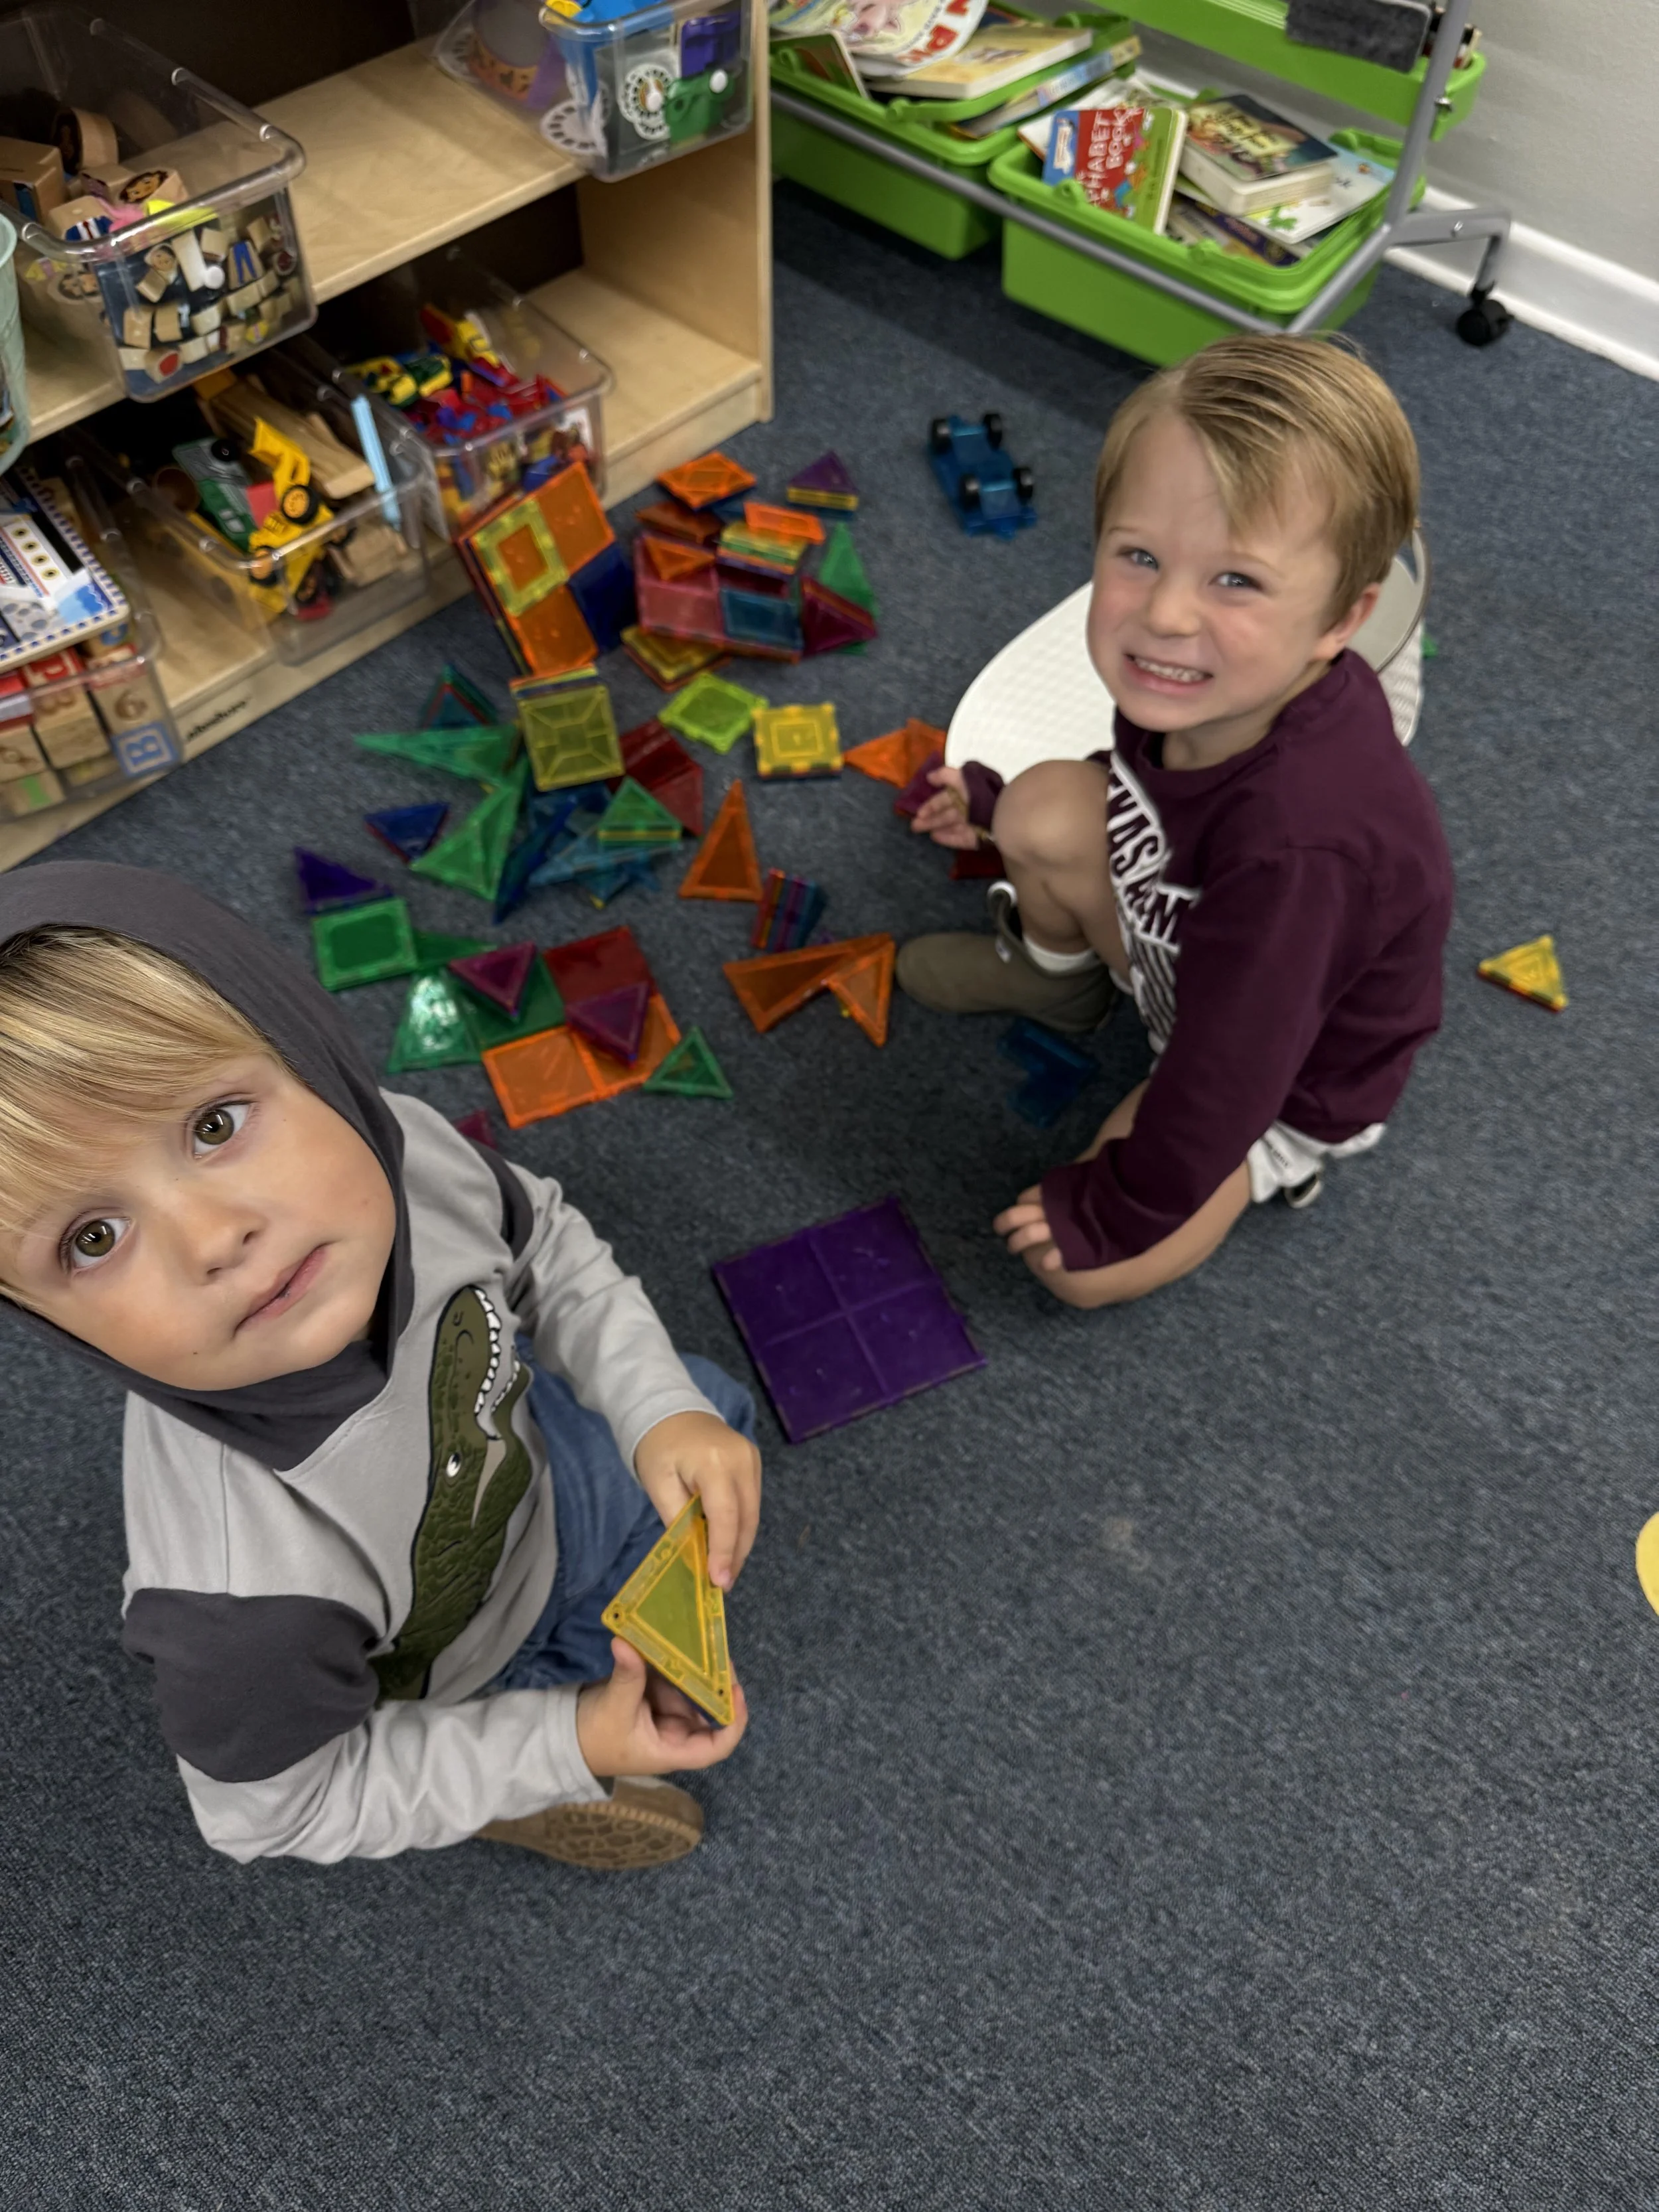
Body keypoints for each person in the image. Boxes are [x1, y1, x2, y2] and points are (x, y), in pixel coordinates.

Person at [0, 863, 762, 1868]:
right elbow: (271, 1812)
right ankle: (510, 1786)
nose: (215, 1240)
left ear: (309, 1052)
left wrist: (656, 1409)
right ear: (45, 1319)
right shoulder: (237, 1612)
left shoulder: (393, 1148)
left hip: (533, 1497)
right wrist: (567, 1741)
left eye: (214, 1126)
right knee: (590, 1723)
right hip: (449, 1671)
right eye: (92, 1238)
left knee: (714, 1404)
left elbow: (543, 1246)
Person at [899, 334, 1454, 1310]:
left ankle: (1270, 1171)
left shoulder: (1305, 844)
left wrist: (1116, 1209)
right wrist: (990, 809)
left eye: (1236, 579)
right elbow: (1135, 794)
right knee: (1038, 804)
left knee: (1077, 1272)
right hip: (1192, 955)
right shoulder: (1212, 694)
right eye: (1139, 556)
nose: (1163, 613)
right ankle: (1056, 983)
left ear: (1340, 621)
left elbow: (1229, 1072)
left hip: (1278, 1079)